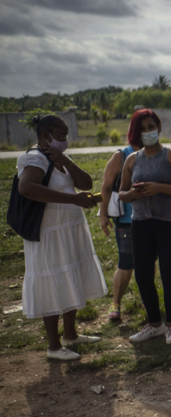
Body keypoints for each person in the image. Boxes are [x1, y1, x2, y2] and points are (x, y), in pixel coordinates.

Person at [16, 114, 107, 361]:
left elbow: (86, 182)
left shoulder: (58, 158)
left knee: (71, 278)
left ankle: (70, 334)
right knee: (52, 284)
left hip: (70, 231)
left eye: (66, 136)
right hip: (49, 237)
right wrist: (74, 199)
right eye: (60, 136)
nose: (64, 141)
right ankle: (54, 346)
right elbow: (27, 188)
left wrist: (66, 160)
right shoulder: (33, 158)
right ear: (45, 135)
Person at [119, 109, 171, 345]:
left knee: (167, 273)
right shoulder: (132, 159)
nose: (148, 132)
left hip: (170, 223)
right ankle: (154, 324)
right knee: (142, 275)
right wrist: (132, 193)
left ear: (159, 128)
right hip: (141, 223)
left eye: (151, 127)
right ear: (135, 133)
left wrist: (160, 187)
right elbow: (121, 193)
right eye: (142, 129)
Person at [99, 132, 142, 322]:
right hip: (127, 221)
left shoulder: (158, 153)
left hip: (152, 219)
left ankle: (147, 302)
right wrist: (103, 215)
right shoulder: (121, 155)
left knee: (147, 265)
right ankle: (116, 304)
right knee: (125, 265)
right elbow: (107, 186)